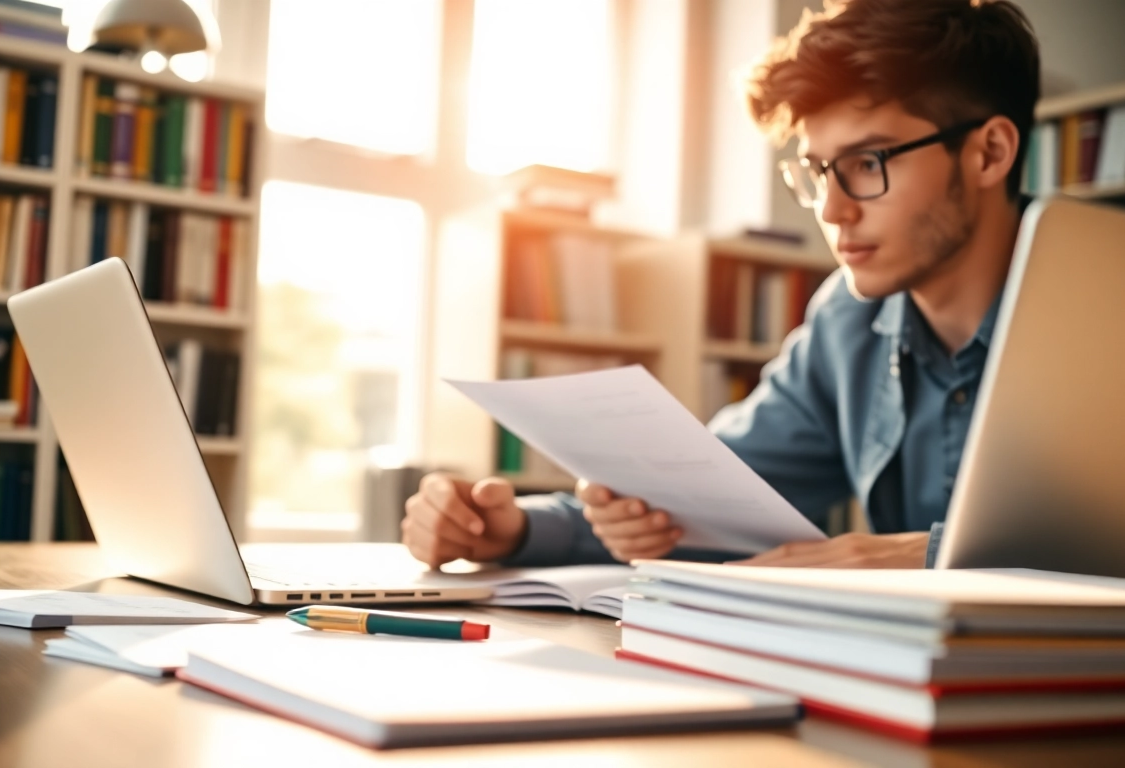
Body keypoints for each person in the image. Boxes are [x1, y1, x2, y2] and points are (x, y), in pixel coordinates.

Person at [403, 0, 1040, 571]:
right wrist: (511, 528)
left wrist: (918, 556)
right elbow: (708, 499)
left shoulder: (1122, 313)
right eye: (819, 172)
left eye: (867, 164)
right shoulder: (846, 323)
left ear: (988, 153)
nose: (832, 209)